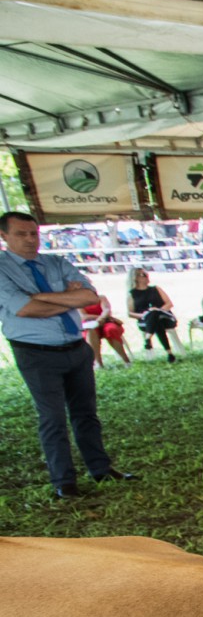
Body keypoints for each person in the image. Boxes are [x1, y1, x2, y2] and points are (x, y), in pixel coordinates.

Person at [0, 212, 137, 497]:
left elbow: (90, 297)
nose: (29, 239)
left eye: (33, 233)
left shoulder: (55, 262)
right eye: (21, 234)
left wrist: (37, 296)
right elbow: (24, 309)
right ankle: (64, 482)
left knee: (86, 413)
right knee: (52, 418)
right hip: (36, 353)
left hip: (75, 347)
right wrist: (63, 297)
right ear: (4, 236)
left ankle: (100, 469)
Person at [127, 268, 177, 363]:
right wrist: (144, 315)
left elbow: (169, 303)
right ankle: (169, 353)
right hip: (145, 320)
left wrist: (158, 310)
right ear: (136, 278)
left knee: (155, 313)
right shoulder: (132, 294)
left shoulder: (156, 289)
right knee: (155, 321)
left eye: (146, 274)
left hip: (165, 317)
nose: (147, 276)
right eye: (144, 275)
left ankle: (148, 338)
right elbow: (130, 313)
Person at [81, 294, 132, 368]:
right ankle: (98, 363)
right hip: (92, 323)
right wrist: (100, 318)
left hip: (106, 321)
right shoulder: (78, 302)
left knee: (111, 330)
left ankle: (126, 360)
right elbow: (83, 316)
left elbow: (106, 310)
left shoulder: (101, 298)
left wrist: (102, 319)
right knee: (90, 330)